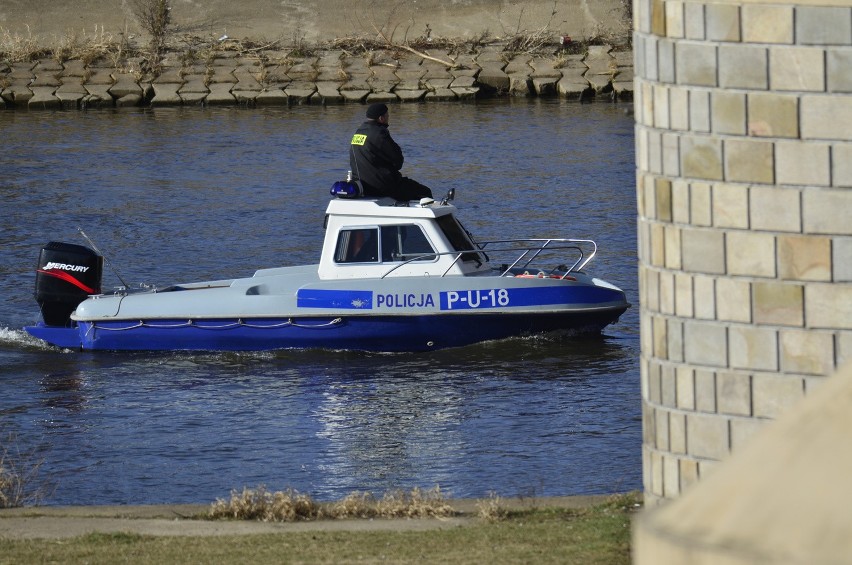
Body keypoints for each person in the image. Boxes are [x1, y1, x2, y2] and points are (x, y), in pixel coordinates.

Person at [350, 103, 433, 201]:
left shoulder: (358, 133)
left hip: (363, 185)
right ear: (381, 118)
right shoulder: (380, 134)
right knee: (425, 192)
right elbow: (398, 161)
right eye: (387, 115)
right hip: (383, 186)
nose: (388, 118)